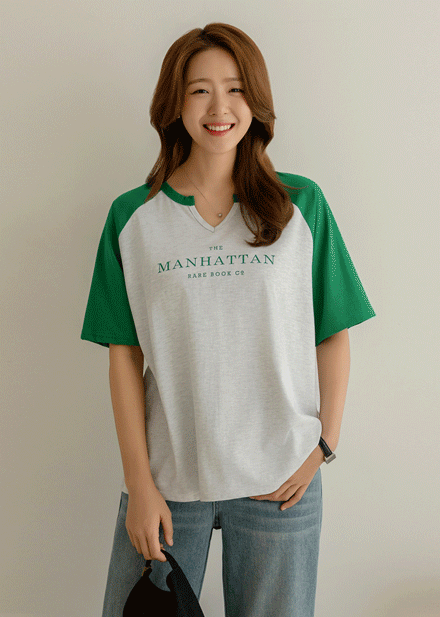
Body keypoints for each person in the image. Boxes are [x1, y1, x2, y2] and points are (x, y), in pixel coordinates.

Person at [81, 22, 376, 617]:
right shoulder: (133, 217)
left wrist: (324, 444)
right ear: (175, 103)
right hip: (169, 480)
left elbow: (333, 332)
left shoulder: (300, 205)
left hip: (280, 479)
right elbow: (123, 356)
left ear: (255, 100)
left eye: (236, 88)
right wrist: (139, 484)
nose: (219, 108)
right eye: (199, 90)